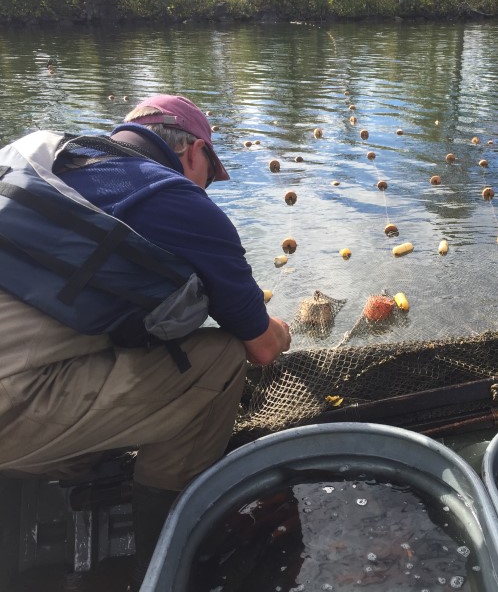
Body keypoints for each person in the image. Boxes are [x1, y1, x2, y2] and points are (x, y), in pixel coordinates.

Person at [0, 94, 291, 587]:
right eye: (209, 175)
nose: (206, 189)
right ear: (193, 152)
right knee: (218, 357)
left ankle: (69, 459)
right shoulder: (176, 200)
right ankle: (168, 552)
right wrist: (282, 329)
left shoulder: (37, 163)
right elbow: (260, 346)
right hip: (15, 414)